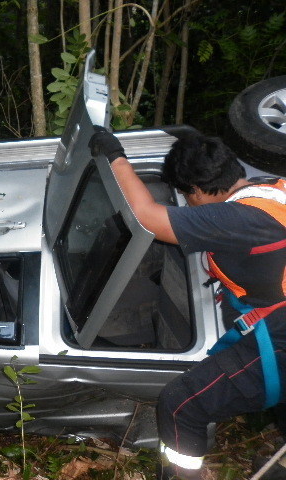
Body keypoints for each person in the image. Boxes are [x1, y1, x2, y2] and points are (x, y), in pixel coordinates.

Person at [89, 126, 286, 480]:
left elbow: (147, 217)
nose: (187, 201)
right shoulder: (271, 190)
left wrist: (115, 156)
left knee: (181, 405)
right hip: (274, 317)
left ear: (196, 190)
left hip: (282, 338)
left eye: (186, 194)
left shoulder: (237, 218)